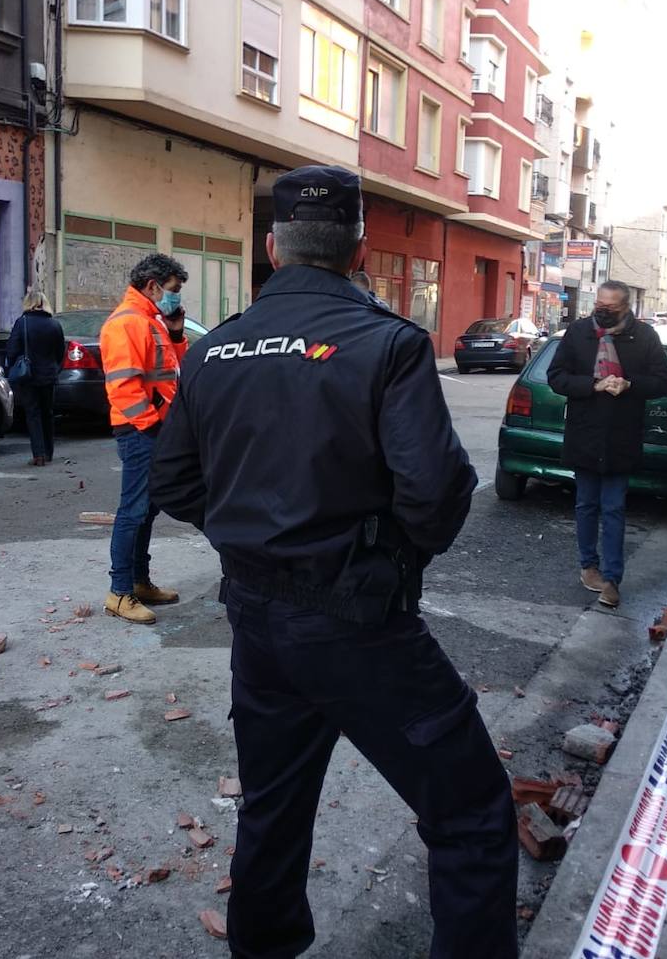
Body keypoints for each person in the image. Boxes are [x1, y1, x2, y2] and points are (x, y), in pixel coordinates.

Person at [149, 166, 517, 959]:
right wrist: (382, 555)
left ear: (273, 247)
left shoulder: (212, 350)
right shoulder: (388, 343)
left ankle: (263, 946)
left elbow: (173, 479)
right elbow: (438, 491)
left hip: (258, 622)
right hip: (358, 623)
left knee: (272, 808)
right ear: (357, 252)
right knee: (473, 810)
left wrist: (248, 534)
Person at [547, 280, 667, 609]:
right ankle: (589, 566)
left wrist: (629, 384)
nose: (602, 311)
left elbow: (663, 382)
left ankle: (612, 578)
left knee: (615, 508)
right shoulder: (577, 333)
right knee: (586, 504)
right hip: (584, 433)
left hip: (622, 436)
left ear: (627, 307)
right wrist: (594, 384)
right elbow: (556, 377)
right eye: (598, 305)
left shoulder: (645, 337)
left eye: (610, 307)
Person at [99, 253, 189, 625]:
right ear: (152, 285)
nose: (176, 297)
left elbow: (170, 371)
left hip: (154, 428)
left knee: (147, 511)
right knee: (133, 510)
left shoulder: (149, 320)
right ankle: (120, 592)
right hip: (140, 431)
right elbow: (123, 387)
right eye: (173, 290)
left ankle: (138, 581)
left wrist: (177, 332)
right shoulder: (127, 323)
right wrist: (152, 428)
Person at [5, 289, 66, 467]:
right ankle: (49, 452)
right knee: (48, 413)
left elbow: (12, 350)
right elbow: (60, 352)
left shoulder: (22, 323)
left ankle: (38, 455)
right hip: (49, 376)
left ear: (28, 303)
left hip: (28, 376)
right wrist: (55, 369)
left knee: (33, 414)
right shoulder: (55, 324)